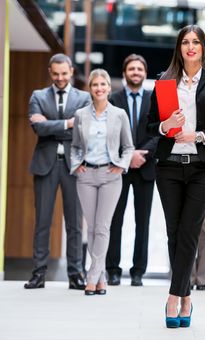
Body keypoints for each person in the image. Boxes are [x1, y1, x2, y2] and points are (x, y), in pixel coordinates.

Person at [146, 24, 205, 328]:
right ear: (179, 48)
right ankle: (185, 297)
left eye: (196, 42)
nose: (191, 47)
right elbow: (149, 127)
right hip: (168, 166)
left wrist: (197, 135)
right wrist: (165, 124)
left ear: (204, 48)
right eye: (185, 42)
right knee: (174, 231)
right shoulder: (164, 82)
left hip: (202, 167)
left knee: (189, 230)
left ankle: (173, 296)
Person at [24, 53, 91, 290]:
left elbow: (83, 129)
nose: (60, 78)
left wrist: (51, 124)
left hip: (74, 165)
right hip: (45, 165)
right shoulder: (38, 96)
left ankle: (76, 274)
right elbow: (38, 129)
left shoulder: (84, 98)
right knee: (42, 221)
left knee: (74, 223)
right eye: (56, 74)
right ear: (50, 73)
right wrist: (66, 123)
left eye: (64, 73)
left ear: (71, 71)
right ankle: (38, 273)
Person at [70, 69, 134, 295]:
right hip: (86, 176)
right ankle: (102, 277)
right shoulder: (80, 115)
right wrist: (76, 164)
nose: (99, 88)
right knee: (92, 228)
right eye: (95, 85)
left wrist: (122, 164)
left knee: (102, 227)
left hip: (110, 176)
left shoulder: (119, 115)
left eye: (103, 84)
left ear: (109, 87)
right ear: (90, 88)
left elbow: (128, 146)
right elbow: (76, 145)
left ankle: (92, 276)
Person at [106, 54, 157, 287]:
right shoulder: (112, 99)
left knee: (142, 222)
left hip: (146, 167)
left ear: (145, 74)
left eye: (139, 69)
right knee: (115, 220)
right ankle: (113, 270)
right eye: (131, 69)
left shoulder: (154, 99)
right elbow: (108, 133)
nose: (135, 72)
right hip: (119, 168)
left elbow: (160, 131)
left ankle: (138, 272)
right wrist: (128, 157)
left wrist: (141, 154)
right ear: (125, 73)